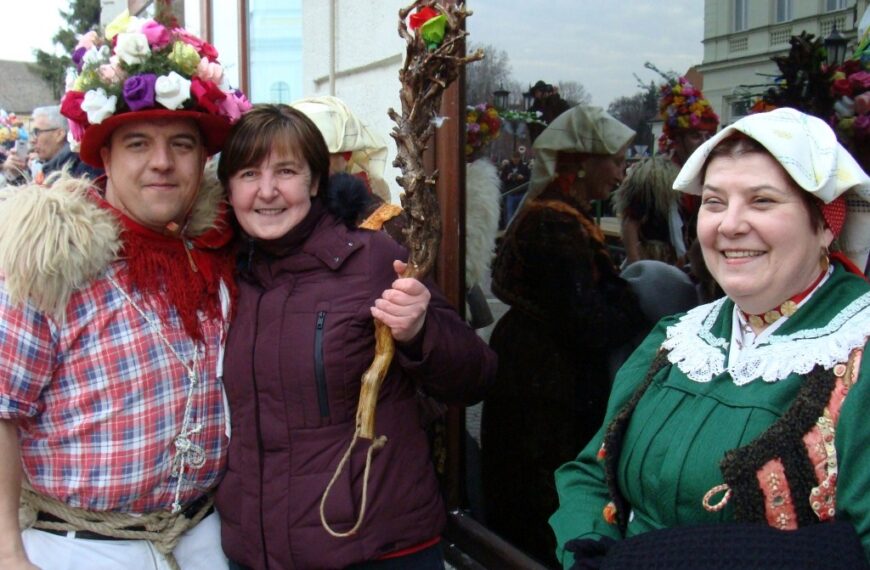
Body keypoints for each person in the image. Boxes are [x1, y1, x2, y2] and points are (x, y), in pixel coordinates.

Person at [550, 108, 870, 569]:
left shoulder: (856, 353)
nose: (729, 225)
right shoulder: (677, 339)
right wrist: (588, 552)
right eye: (715, 202)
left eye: (761, 201)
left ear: (825, 225)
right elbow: (590, 473)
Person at [0, 13, 250, 570]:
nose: (162, 163)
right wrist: (7, 553)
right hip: (81, 548)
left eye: (181, 145)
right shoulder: (47, 259)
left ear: (201, 161)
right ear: (105, 156)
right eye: (138, 143)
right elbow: (1, 407)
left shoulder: (217, 251)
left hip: (203, 535)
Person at [214, 104, 496, 570]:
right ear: (228, 187)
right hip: (255, 551)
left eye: (286, 171)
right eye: (248, 174)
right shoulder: (226, 275)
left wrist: (421, 333)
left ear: (316, 182)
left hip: (372, 546)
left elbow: (476, 374)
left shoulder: (370, 259)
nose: (266, 191)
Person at [480, 105, 647, 566]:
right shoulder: (555, 222)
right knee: (537, 493)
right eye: (614, 160)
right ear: (582, 163)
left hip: (538, 369)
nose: (620, 172)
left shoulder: (558, 214)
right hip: (543, 382)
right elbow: (589, 321)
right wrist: (635, 298)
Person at [2, 106, 100, 185]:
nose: (32, 140)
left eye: (37, 132)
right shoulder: (56, 166)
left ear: (59, 134)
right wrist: (17, 175)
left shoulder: (80, 169)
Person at [611, 157, 681, 266]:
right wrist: (634, 261)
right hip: (651, 255)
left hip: (667, 255)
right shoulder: (648, 191)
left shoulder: (672, 195)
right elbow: (630, 222)